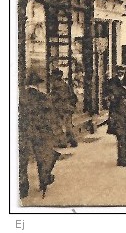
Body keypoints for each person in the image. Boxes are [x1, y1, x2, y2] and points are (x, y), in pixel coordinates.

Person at [19, 70, 58, 198]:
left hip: (23, 131)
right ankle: (44, 180)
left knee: (22, 160)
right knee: (43, 157)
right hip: (40, 132)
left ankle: (23, 187)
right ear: (38, 84)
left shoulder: (19, 97)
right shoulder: (43, 97)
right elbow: (50, 118)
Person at [49, 68, 78, 149]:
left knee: (58, 125)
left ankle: (62, 142)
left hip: (60, 107)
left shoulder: (57, 84)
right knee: (68, 125)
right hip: (68, 107)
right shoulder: (64, 84)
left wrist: (49, 98)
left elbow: (56, 96)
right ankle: (72, 141)